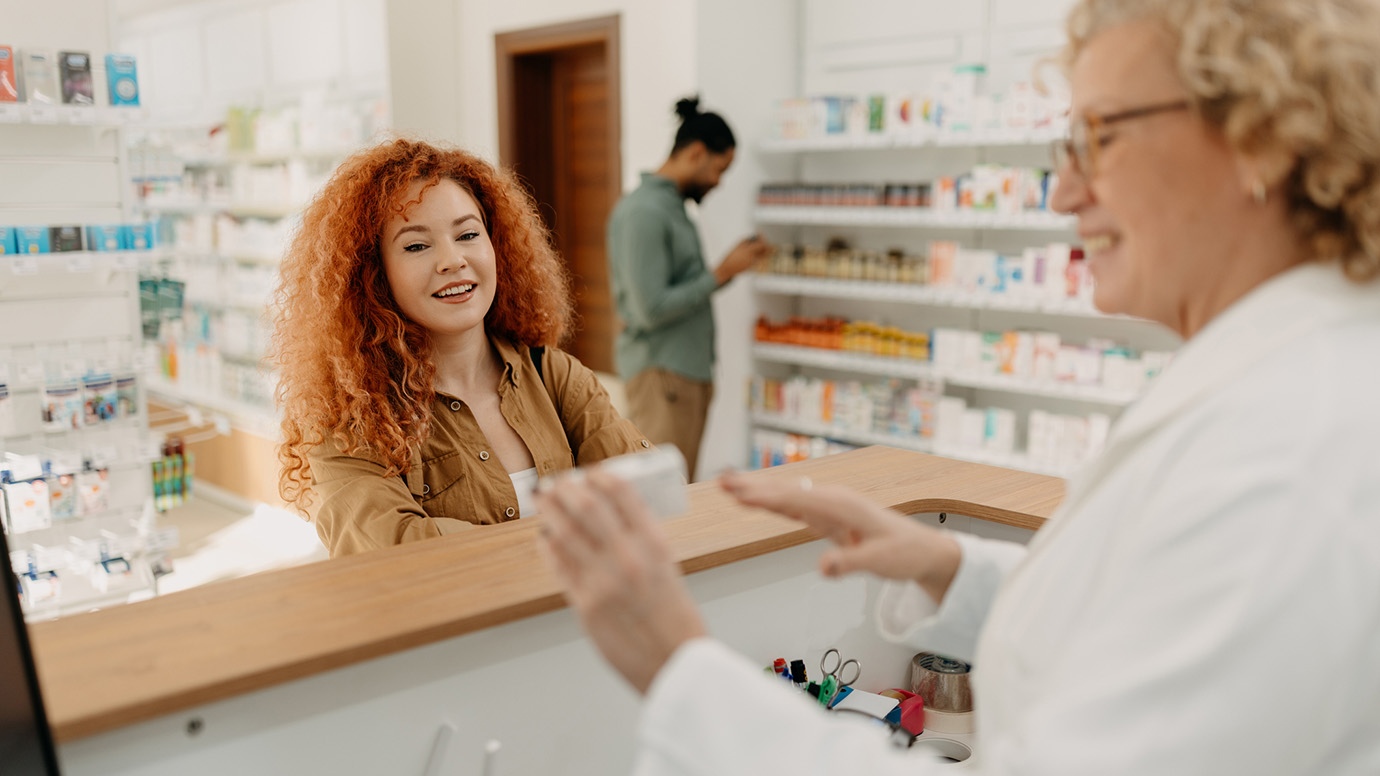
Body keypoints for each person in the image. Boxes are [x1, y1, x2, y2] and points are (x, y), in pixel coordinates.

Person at [536, 0, 1380, 772]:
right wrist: (952, 571)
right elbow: (1149, 623)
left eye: (1100, 137)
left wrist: (682, 671)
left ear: (1261, 141)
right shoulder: (1266, 386)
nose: (1063, 193)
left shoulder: (1287, 459)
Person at [273, 139, 653, 558]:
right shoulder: (350, 418)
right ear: (373, 274)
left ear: (497, 247)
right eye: (417, 245)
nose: (452, 260)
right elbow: (394, 554)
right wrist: (574, 528)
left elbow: (644, 495)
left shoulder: (555, 375)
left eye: (468, 234)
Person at [606, 96, 772, 481]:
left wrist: (728, 271)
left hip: (683, 375)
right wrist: (719, 273)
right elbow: (650, 308)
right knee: (662, 496)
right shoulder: (644, 212)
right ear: (696, 153)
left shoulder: (673, 207)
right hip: (663, 375)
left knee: (680, 492)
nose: (718, 182)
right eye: (719, 169)